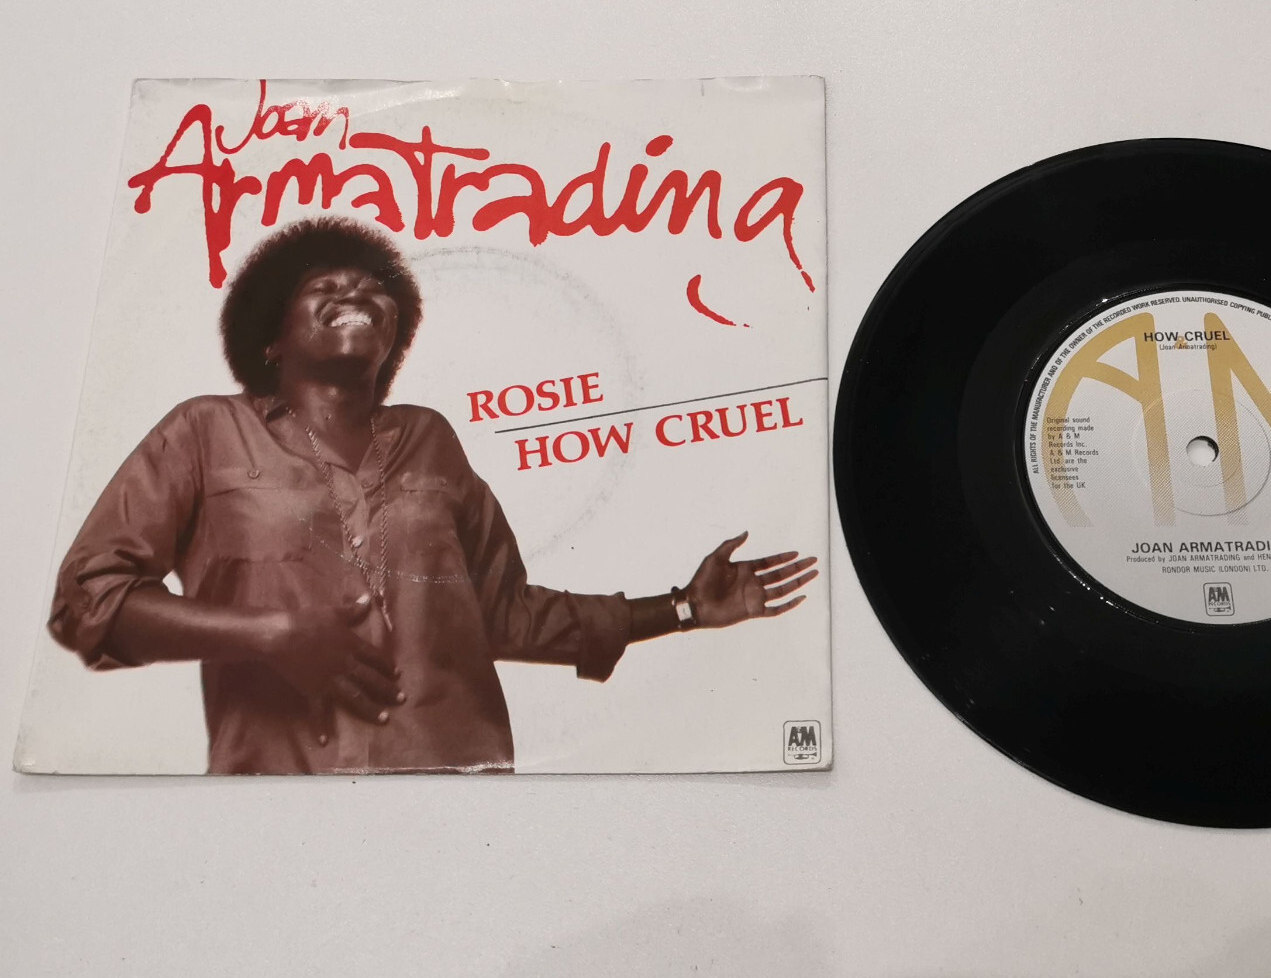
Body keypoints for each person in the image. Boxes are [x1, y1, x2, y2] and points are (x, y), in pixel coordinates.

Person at [49, 218, 816, 774]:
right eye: (324, 286)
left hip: (461, 791)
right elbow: (88, 599)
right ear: (272, 341)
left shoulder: (431, 438)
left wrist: (682, 608)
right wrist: (270, 633)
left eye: (374, 289)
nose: (356, 290)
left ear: (394, 337)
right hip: (276, 802)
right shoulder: (204, 430)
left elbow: (503, 613)